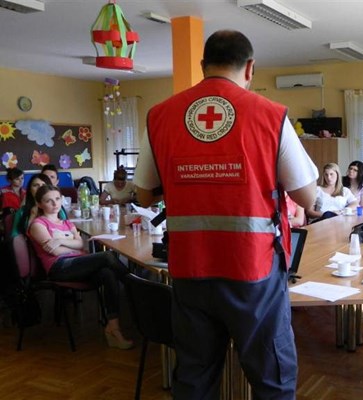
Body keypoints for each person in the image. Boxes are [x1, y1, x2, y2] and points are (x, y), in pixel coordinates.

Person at [133, 30, 317, 399]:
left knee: (195, 378)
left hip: (189, 269)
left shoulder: (160, 116)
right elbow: (307, 196)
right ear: (250, 68)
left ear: (203, 67)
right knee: (272, 380)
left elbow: (143, 193)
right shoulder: (271, 116)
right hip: (254, 271)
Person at [27, 185, 133, 350]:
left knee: (107, 273)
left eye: (57, 199)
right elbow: (54, 251)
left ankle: (113, 328)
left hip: (78, 265)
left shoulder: (67, 223)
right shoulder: (38, 224)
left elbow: (81, 243)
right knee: (107, 256)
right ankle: (134, 287)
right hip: (59, 267)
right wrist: (73, 247)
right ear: (40, 204)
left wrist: (61, 240)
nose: (55, 204)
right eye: (49, 201)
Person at [11, 173, 68, 238]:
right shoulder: (22, 211)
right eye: (35, 185)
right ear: (30, 189)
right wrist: (32, 216)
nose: (40, 188)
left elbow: (66, 229)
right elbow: (15, 235)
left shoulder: (58, 208)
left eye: (44, 185)